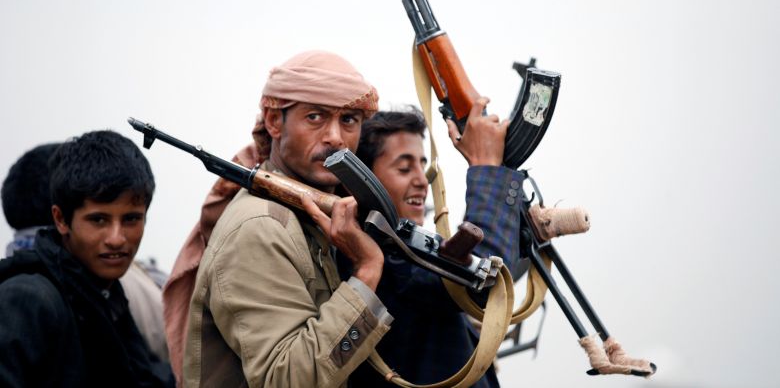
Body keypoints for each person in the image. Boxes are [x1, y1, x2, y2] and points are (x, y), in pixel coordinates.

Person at [182, 50, 392, 387]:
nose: (336, 137)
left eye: (349, 120)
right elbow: (288, 379)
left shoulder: (312, 217)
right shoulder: (261, 226)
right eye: (315, 117)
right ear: (274, 121)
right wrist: (367, 272)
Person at [345, 102, 524, 386]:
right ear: (365, 182)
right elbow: (484, 275)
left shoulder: (400, 253)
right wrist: (488, 170)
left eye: (422, 165)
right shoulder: (386, 258)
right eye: (404, 169)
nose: (421, 181)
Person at [0, 131, 173, 387]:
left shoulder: (105, 293)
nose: (116, 238)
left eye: (131, 219)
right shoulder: (28, 299)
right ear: (60, 219)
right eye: (98, 220)